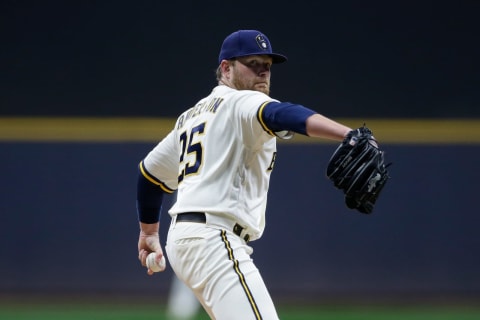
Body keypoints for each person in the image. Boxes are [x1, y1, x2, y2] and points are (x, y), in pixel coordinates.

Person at [136, 29, 353, 319]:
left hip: (188, 239)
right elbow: (284, 114)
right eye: (253, 64)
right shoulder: (242, 101)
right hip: (214, 239)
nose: (263, 72)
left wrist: (148, 231)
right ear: (226, 68)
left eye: (267, 66)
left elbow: (150, 175)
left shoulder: (191, 116)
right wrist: (348, 134)